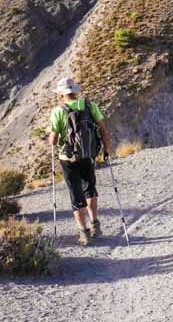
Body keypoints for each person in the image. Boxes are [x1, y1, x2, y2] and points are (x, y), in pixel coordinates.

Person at [48, 77, 111, 246]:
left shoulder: (58, 111)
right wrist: (106, 150)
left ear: (61, 95)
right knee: (89, 188)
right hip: (87, 154)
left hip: (67, 158)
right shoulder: (90, 106)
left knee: (76, 193)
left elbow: (53, 139)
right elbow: (103, 130)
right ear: (75, 92)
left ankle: (83, 233)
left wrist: (51, 141)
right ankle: (95, 224)